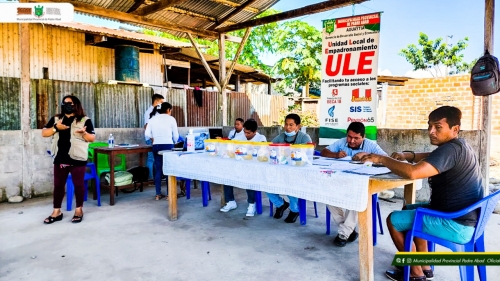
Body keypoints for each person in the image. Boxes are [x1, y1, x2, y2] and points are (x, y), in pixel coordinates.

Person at [360, 106, 483, 281]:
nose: (431, 131)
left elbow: (413, 173)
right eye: (429, 126)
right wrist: (408, 155)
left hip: (456, 224)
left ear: (455, 129)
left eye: (438, 127)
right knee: (408, 209)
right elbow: (433, 156)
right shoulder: (459, 146)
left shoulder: (450, 150)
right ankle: (424, 265)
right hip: (463, 215)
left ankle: (416, 274)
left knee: (393, 220)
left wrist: (381, 159)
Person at [320, 122, 387, 247]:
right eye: (349, 137)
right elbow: (324, 151)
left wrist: (367, 156)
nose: (352, 141)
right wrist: (335, 154)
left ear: (363, 137)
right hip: (341, 182)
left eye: (356, 138)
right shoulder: (341, 142)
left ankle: (344, 234)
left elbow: (385, 158)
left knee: (356, 198)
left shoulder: (370, 145)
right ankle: (349, 230)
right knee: (326, 195)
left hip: (360, 186)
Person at [42, 95, 96, 224]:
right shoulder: (56, 119)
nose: (67, 105)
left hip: (77, 158)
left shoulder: (84, 120)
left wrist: (84, 133)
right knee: (58, 185)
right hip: (60, 158)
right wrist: (55, 128)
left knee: (78, 185)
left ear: (75, 104)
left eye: (70, 103)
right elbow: (44, 133)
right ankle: (57, 212)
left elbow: (92, 138)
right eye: (64, 103)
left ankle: (78, 210)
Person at [267, 113, 312, 223]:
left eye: (291, 125)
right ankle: (281, 204)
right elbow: (270, 147)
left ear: (298, 126)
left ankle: (294, 210)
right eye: (286, 124)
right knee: (266, 184)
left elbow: (307, 156)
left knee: (291, 187)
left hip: (298, 174)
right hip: (281, 171)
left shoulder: (304, 138)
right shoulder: (281, 137)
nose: (288, 127)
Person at [220, 119, 267, 216]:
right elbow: (230, 146)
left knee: (249, 179)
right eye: (245, 132)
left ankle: (251, 203)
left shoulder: (261, 138)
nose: (246, 135)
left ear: (255, 131)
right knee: (226, 176)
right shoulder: (240, 137)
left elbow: (262, 153)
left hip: (254, 169)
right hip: (239, 166)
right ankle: (230, 201)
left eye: (248, 133)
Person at [145, 102, 179, 200]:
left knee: (158, 170)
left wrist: (154, 139)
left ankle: (158, 194)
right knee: (168, 169)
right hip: (168, 145)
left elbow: (147, 133)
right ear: (168, 109)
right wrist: (175, 142)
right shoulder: (171, 119)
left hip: (156, 146)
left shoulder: (152, 119)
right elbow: (175, 135)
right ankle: (169, 194)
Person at [144, 94, 165, 180]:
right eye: (161, 102)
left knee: (157, 159)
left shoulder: (157, 113)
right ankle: (150, 178)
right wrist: (153, 139)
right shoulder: (149, 112)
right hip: (151, 139)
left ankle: (157, 177)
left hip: (158, 139)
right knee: (151, 159)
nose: (162, 104)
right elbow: (146, 127)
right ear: (156, 102)